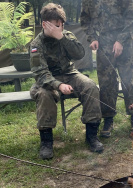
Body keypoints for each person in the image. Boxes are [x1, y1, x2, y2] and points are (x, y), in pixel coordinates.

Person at [30, 3, 103, 159]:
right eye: (55, 26)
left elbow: (79, 54)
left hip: (70, 74)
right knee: (44, 95)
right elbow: (40, 73)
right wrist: (58, 85)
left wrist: (61, 37)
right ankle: (46, 142)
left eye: (61, 25)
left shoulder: (66, 35)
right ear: (44, 24)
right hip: (48, 79)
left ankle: (92, 136)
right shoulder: (37, 44)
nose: (59, 29)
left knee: (91, 87)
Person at [80, 0, 133, 138]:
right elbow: (85, 19)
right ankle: (108, 119)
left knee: (129, 81)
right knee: (106, 82)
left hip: (124, 42)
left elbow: (131, 19)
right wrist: (92, 38)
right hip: (103, 43)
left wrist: (120, 40)